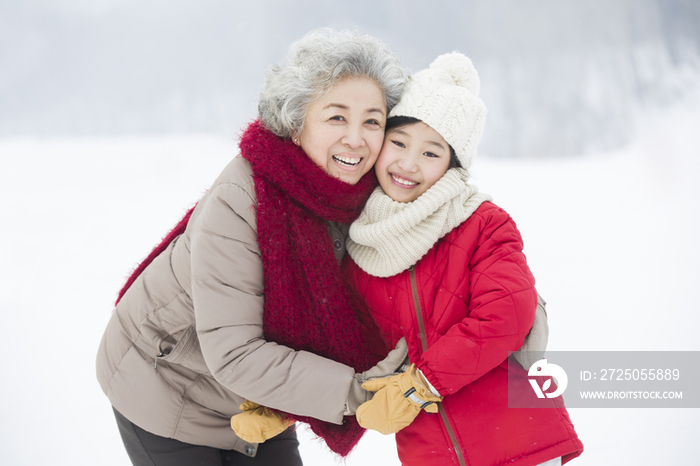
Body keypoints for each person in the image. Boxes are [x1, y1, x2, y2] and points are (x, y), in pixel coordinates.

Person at [96, 28, 409, 466]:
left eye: (372, 121)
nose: (356, 138)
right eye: (337, 117)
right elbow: (236, 354)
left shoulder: (375, 196)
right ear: (296, 124)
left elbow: (450, 263)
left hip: (260, 404)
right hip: (164, 384)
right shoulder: (244, 201)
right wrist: (359, 395)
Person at [343, 53, 584, 465]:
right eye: (398, 143)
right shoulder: (362, 245)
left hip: (520, 441)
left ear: (454, 165)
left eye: (431, 153)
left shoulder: (483, 223)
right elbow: (352, 350)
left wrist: (422, 383)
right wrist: (287, 408)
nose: (408, 163)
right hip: (431, 453)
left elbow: (506, 315)